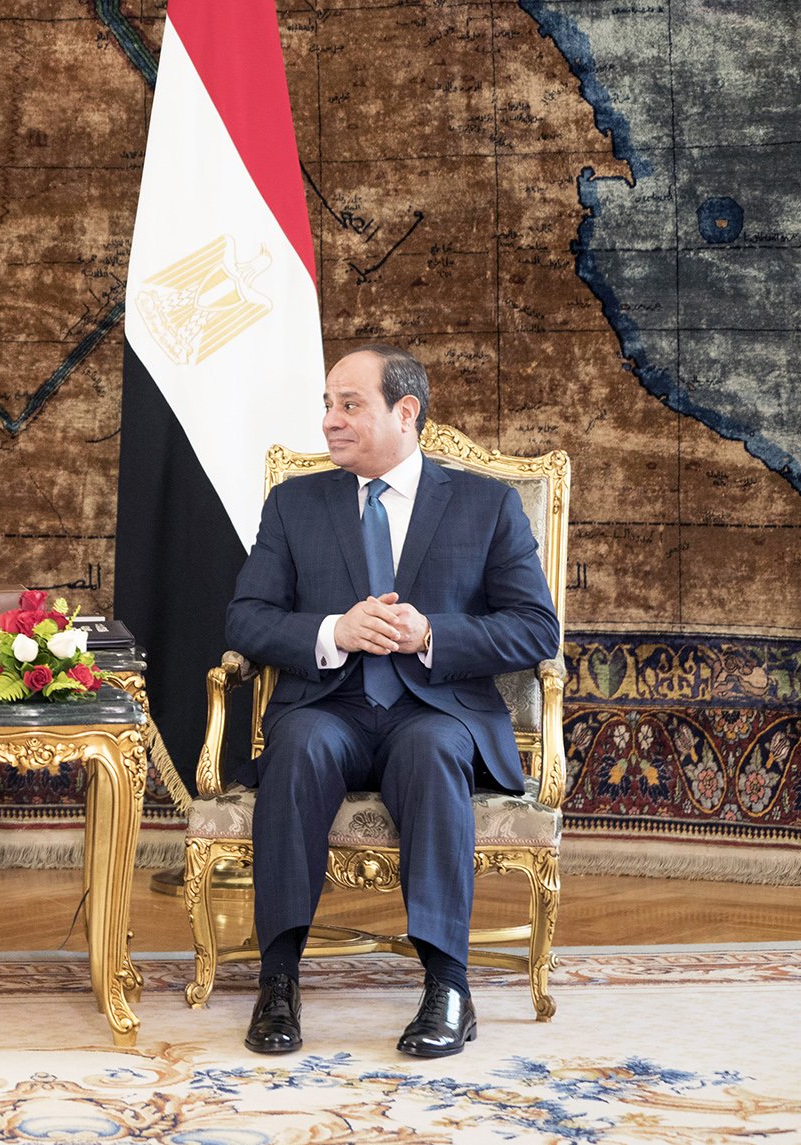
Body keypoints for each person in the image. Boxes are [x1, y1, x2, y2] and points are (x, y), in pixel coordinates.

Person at [224, 343, 559, 1058]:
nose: (330, 420)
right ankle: (278, 980)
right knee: (299, 745)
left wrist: (435, 632)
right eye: (326, 404)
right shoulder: (294, 505)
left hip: (434, 709)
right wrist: (331, 630)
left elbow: (537, 628)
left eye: (350, 404)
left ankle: (448, 987)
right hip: (330, 704)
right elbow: (245, 620)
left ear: (404, 412)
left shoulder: (485, 504)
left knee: (434, 749)